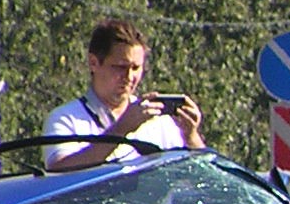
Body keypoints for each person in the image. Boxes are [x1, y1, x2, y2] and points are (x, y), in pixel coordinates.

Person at [44, 19, 205, 170]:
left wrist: (191, 136)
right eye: (120, 67)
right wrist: (121, 130)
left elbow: (202, 174)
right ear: (94, 63)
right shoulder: (65, 118)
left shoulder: (158, 120)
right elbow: (59, 173)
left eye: (136, 68)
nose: (129, 77)